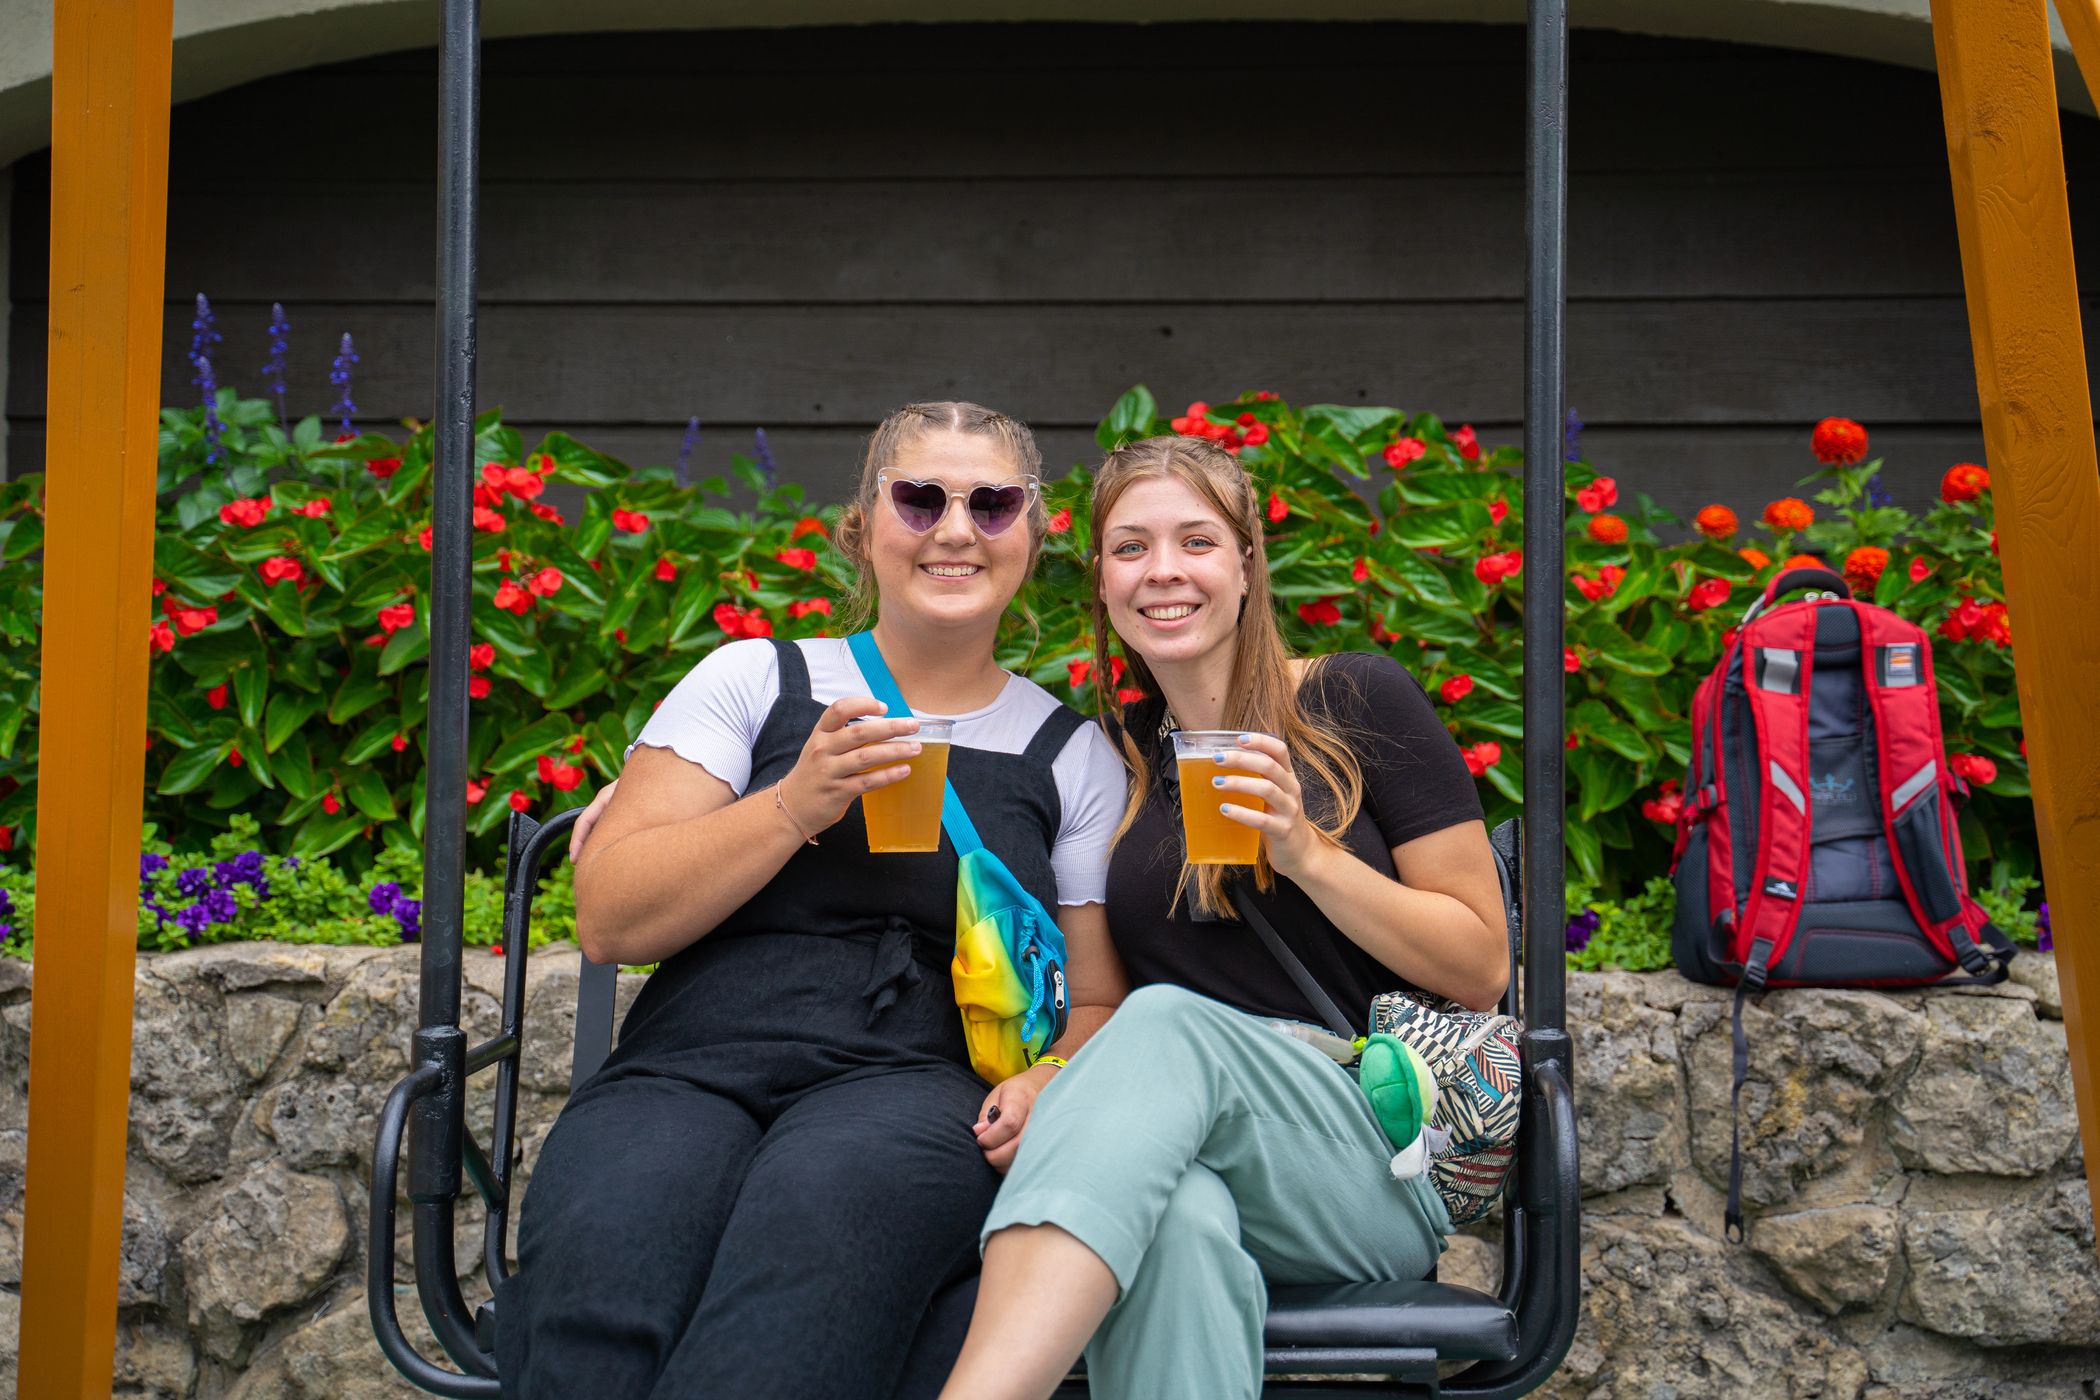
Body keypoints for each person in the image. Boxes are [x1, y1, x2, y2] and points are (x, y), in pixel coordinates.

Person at [496, 402, 1128, 1400]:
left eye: (992, 502)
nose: (955, 529)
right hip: (693, 1058)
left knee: (798, 1301)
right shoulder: (757, 677)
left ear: (1034, 533)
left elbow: (1093, 997)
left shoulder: (1071, 755)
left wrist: (1050, 1074)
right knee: (597, 1287)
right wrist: (794, 803)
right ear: (862, 525)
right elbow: (612, 916)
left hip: (915, 1077)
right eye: (919, 499)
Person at [937, 433, 1510, 1400]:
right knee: (1179, 1220)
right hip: (1185, 1140)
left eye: (1196, 541)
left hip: (1370, 1152)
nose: (1164, 571)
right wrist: (1051, 1078)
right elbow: (1105, 1005)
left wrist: (1309, 855)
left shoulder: (1354, 700)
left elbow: (1480, 963)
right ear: (1106, 587)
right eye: (1130, 549)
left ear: (1246, 561)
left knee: (1172, 1023)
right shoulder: (1115, 758)